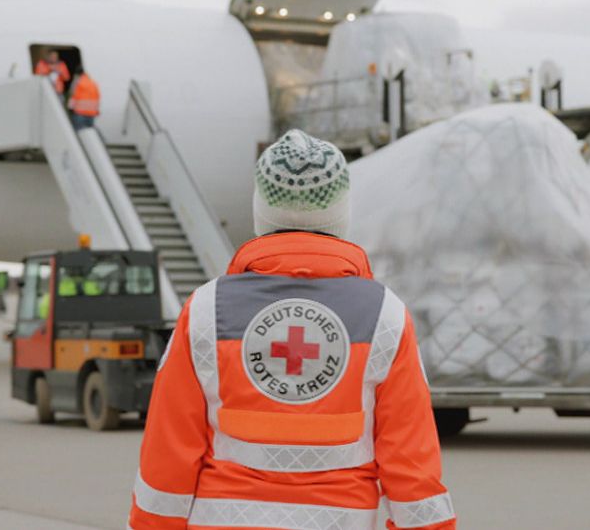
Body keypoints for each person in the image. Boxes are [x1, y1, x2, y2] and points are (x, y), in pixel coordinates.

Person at [128, 130, 455, 530]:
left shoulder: (205, 311)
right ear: (341, 211)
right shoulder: (385, 315)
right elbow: (411, 463)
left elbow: (169, 453)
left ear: (260, 209)